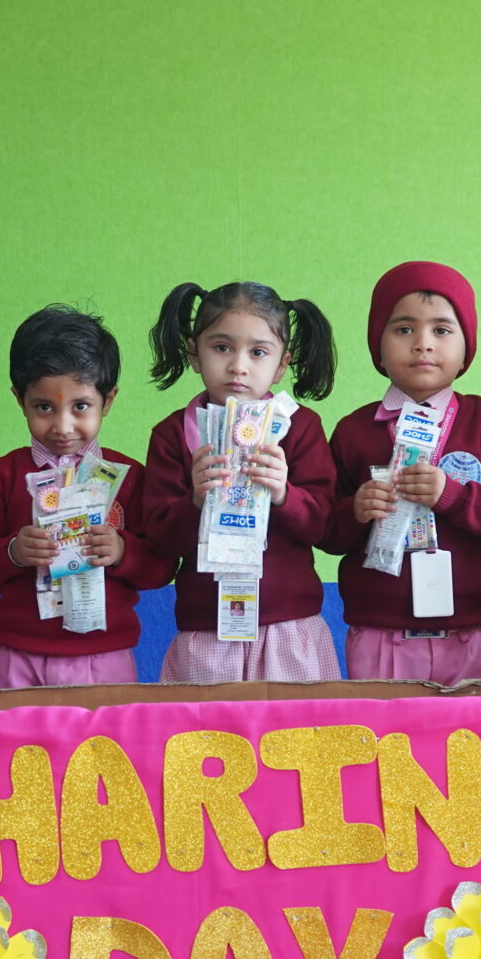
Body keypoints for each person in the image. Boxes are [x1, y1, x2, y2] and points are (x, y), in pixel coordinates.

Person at [325, 261, 481, 681]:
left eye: (442, 330)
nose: (423, 344)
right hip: (378, 636)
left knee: (466, 727)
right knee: (378, 726)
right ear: (378, 345)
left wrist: (454, 495)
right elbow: (325, 531)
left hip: (466, 635)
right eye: (404, 329)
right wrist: (355, 510)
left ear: (466, 348)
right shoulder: (353, 430)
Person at [0, 306, 172, 686]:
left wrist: (122, 550)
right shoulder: (2, 475)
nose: (62, 426)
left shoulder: (129, 477)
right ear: (20, 399)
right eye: (44, 407)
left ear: (108, 400)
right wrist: (12, 551)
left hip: (106, 657)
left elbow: (164, 566)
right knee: (17, 731)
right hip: (19, 657)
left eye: (81, 406)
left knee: (107, 731)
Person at [140, 279, 343, 683]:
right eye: (222, 347)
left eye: (258, 352)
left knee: (297, 725)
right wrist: (194, 501)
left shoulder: (300, 427)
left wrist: (285, 494)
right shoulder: (172, 435)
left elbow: (324, 525)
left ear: (282, 364)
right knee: (205, 726)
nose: (238, 366)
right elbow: (160, 541)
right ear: (194, 354)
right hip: (205, 632)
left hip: (290, 626)